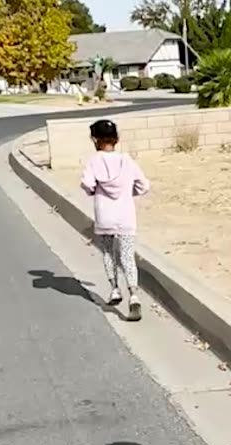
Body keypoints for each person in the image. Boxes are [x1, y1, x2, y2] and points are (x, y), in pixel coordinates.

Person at [80, 119, 150, 322]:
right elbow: (144, 185)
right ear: (116, 139)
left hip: (105, 215)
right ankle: (134, 295)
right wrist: (131, 192)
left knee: (109, 253)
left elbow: (87, 184)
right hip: (126, 215)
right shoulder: (127, 161)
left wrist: (94, 190)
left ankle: (114, 289)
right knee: (127, 256)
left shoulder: (94, 161)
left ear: (95, 139)